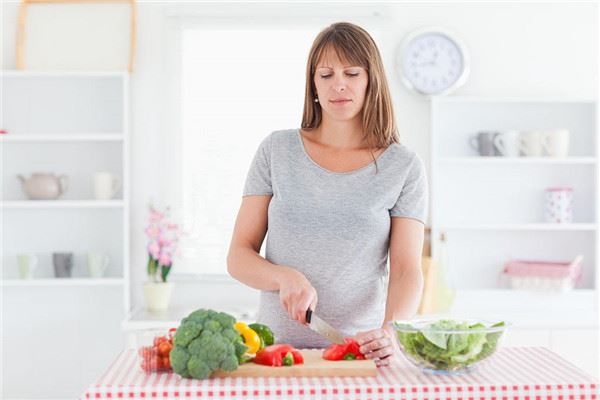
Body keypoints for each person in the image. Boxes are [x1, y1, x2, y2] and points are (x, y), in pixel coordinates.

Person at [227, 22, 428, 367]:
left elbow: (407, 270)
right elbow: (238, 257)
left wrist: (391, 332)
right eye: (325, 74)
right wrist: (283, 276)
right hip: (276, 355)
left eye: (351, 73)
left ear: (371, 81)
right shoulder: (276, 150)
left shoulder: (404, 166)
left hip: (359, 356)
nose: (339, 85)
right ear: (313, 84)